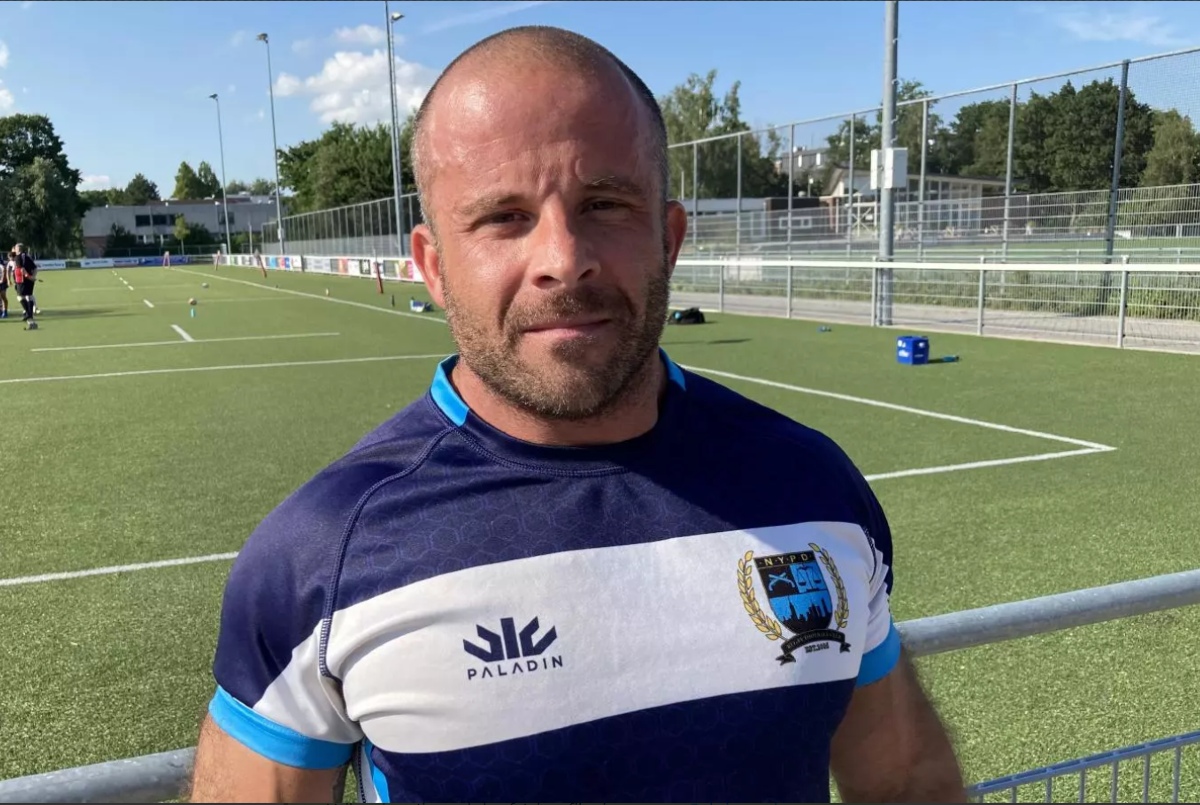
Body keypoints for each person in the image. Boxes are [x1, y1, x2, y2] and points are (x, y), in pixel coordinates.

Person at [189, 25, 966, 804]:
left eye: (604, 204)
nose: (564, 259)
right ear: (432, 265)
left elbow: (905, 779)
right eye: (504, 217)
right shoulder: (321, 556)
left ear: (668, 238)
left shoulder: (812, 485)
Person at [13, 243, 37, 323]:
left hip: (22, 280)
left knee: (20, 297)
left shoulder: (18, 257)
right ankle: (30, 315)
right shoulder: (27, 256)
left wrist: (28, 276)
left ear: (18, 249)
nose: (14, 250)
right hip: (29, 281)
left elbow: (21, 269)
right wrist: (32, 277)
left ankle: (28, 313)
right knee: (29, 296)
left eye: (15, 248)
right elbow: (35, 268)